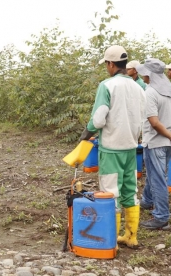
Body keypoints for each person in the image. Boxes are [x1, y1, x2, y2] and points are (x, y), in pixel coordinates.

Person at [80, 45, 146, 248]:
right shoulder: (139, 87)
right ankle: (131, 236)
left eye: (106, 65)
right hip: (131, 148)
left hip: (111, 149)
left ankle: (111, 240)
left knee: (110, 193)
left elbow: (98, 119)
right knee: (130, 190)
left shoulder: (107, 86)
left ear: (110, 64)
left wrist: (86, 134)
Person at [135, 58, 171, 230]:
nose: (142, 75)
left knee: (157, 179)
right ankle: (147, 201)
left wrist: (168, 135)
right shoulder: (169, 88)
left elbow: (154, 122)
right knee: (155, 174)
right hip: (168, 141)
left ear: (149, 74)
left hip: (157, 141)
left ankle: (162, 216)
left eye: (144, 73)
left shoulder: (151, 92)